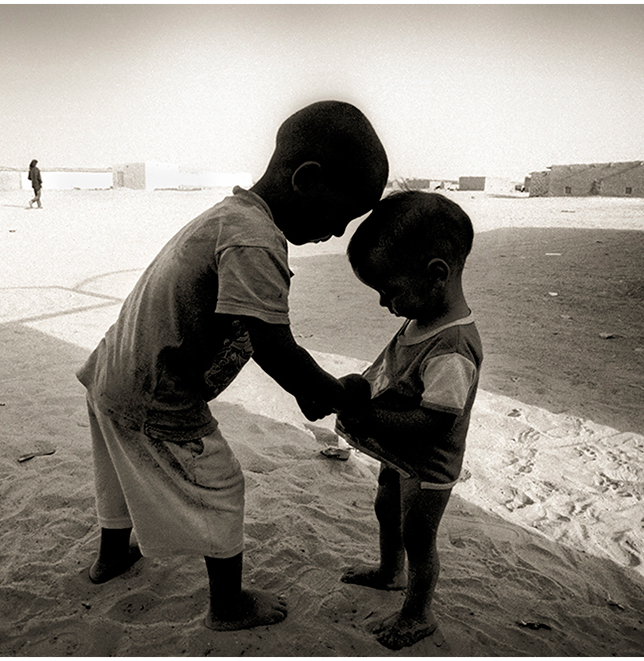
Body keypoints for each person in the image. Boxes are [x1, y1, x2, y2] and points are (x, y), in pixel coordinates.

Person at [76, 100, 389, 631]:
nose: (337, 233)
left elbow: (253, 333)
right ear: (306, 179)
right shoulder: (256, 239)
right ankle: (227, 605)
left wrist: (306, 391)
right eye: (341, 216)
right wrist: (336, 393)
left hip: (112, 370)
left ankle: (112, 556)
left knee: (116, 468)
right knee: (220, 486)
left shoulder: (231, 216)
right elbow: (273, 344)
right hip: (159, 391)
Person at [333, 191, 482, 650]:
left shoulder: (451, 349)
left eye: (389, 290)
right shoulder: (421, 316)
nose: (384, 303)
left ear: (436, 274)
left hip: (428, 463)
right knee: (385, 509)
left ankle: (419, 614)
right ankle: (387, 572)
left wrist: (369, 417)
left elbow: (435, 424)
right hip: (399, 453)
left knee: (418, 535)